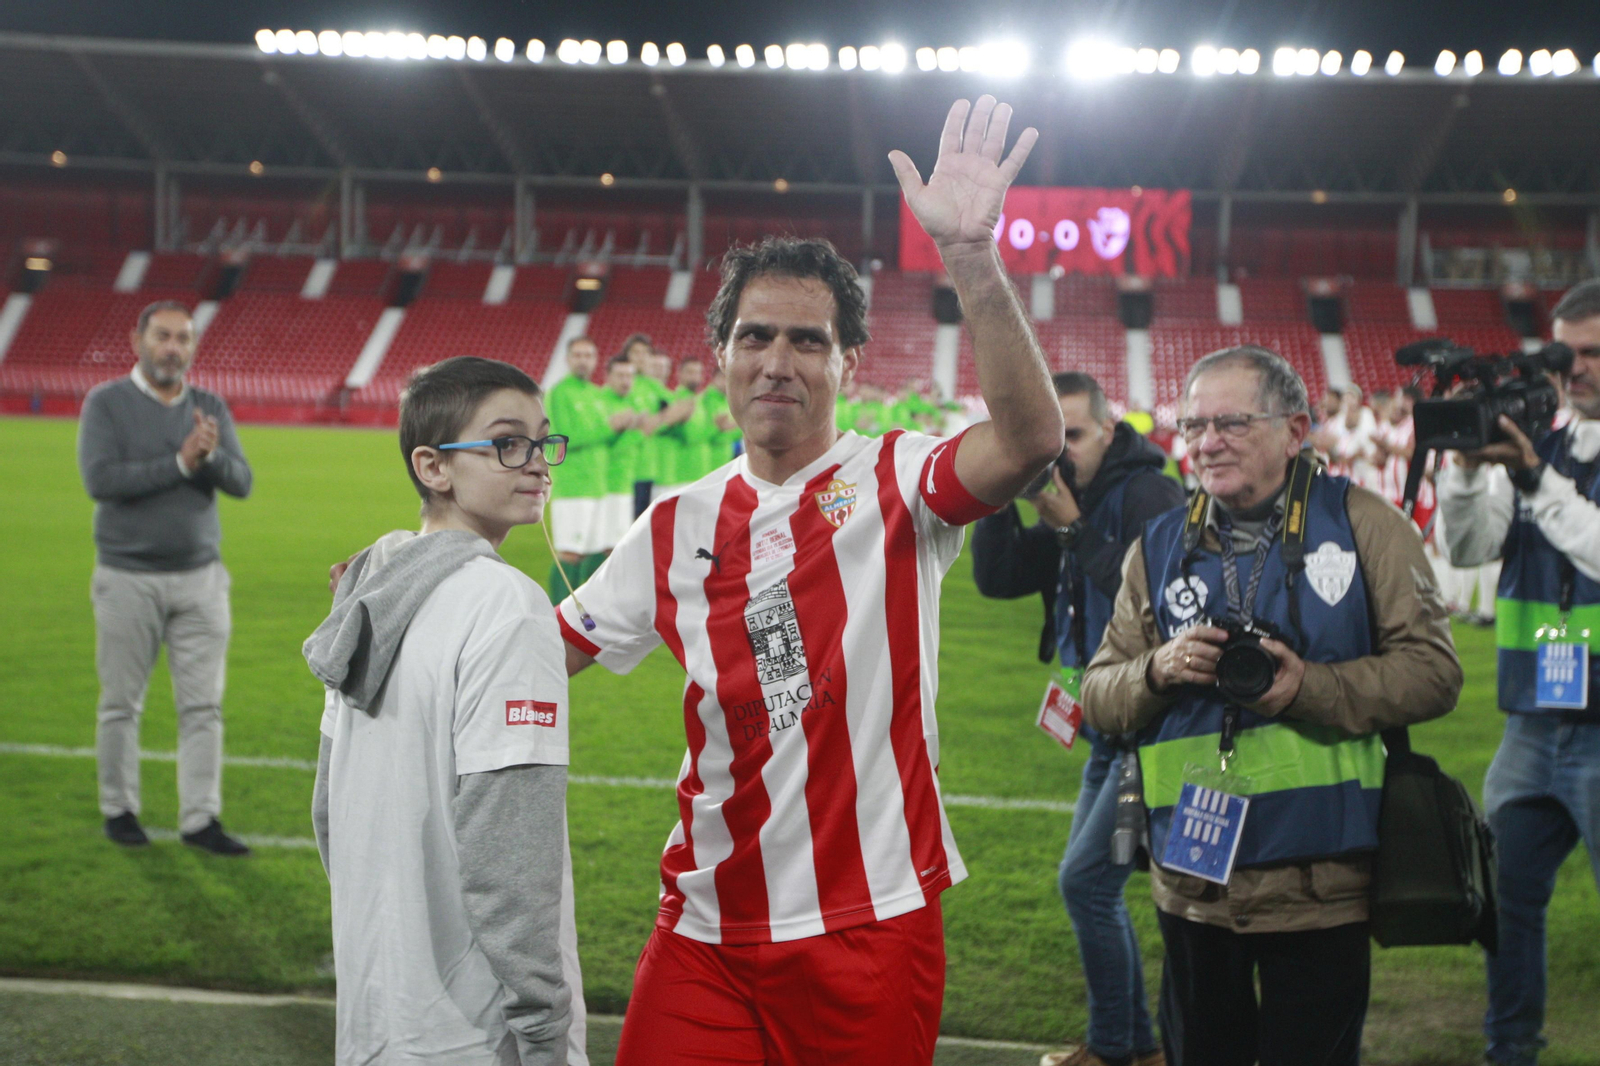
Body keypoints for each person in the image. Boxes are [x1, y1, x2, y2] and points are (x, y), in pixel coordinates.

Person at [557, 96, 1063, 1065]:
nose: (776, 362)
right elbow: (550, 648)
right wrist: (433, 590)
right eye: (754, 337)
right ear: (720, 356)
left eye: (805, 340)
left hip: (867, 928)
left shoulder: (898, 481)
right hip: (703, 927)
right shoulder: (672, 526)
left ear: (849, 363)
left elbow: (1031, 443)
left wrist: (970, 259)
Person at [1082, 346, 1462, 1066]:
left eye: (1230, 421)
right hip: (1193, 884)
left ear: (1295, 430)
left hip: (1322, 885)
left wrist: (1306, 688)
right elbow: (1100, 694)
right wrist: (1158, 670)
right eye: (1192, 425)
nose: (1205, 441)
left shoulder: (1365, 526)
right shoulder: (1159, 545)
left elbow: (1434, 674)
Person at [305, 356, 587, 1066]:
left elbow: (328, 810)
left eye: (542, 440)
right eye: (505, 443)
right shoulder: (508, 605)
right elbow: (509, 847)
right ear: (433, 467)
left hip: (377, 1008)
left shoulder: (371, 595)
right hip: (475, 1028)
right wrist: (545, 1026)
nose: (536, 462)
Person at [972, 372, 1183, 1066]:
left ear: (1113, 433)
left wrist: (1070, 527)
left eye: (1076, 438)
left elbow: (1162, 607)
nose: (1061, 456)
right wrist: (1000, 491)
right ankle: (1133, 1048)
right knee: (1091, 886)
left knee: (1086, 885)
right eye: (1048, 441)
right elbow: (999, 577)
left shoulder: (1149, 494)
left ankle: (1117, 1047)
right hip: (1106, 729)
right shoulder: (1080, 493)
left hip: (1153, 727)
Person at [1434, 279, 1600, 1066]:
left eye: (1593, 352)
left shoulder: (1544, 464)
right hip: (1533, 722)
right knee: (1504, 903)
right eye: (1566, 352)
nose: (1576, 369)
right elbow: (1466, 550)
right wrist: (1467, 469)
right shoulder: (1547, 443)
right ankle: (1510, 1053)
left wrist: (1535, 478)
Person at [77, 299, 253, 854]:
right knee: (121, 702)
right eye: (162, 337)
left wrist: (209, 456)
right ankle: (119, 810)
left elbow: (242, 481)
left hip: (201, 579)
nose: (172, 347)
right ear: (138, 341)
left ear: (193, 346)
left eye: (182, 338)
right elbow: (101, 480)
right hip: (127, 577)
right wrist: (180, 463)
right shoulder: (106, 403)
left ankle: (201, 820)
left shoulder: (208, 406)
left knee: (204, 706)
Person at [545, 336, 616, 593]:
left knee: (592, 553)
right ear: (567, 360)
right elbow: (561, 437)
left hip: (598, 485)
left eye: (588, 355)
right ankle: (557, 615)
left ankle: (581, 612)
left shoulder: (597, 394)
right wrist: (608, 428)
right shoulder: (558, 393)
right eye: (578, 355)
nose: (583, 360)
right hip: (573, 485)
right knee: (571, 554)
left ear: (596, 361)